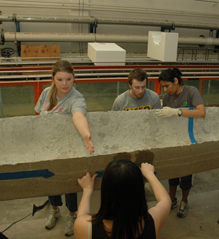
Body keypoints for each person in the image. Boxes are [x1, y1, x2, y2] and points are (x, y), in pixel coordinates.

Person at [35, 60, 94, 237]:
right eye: (60, 79)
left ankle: (72, 214)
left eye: (68, 79)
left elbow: (78, 116)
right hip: (49, 147)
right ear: (53, 78)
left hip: (68, 149)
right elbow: (38, 115)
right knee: (51, 181)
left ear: (74, 77)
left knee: (69, 183)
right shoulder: (47, 93)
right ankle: (54, 209)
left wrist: (85, 134)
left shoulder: (76, 98)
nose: (64, 84)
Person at [74, 159, 171, 239]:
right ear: (139, 191)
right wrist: (150, 175)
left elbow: (81, 217)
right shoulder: (153, 220)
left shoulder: (84, 227)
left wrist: (87, 190)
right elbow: (165, 200)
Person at [156, 68, 206, 218]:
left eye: (166, 85)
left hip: (188, 140)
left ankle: (184, 200)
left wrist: (176, 111)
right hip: (173, 140)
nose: (165, 89)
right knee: (173, 173)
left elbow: (201, 112)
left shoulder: (191, 92)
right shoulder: (166, 97)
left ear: (176, 81)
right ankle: (172, 199)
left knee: (186, 174)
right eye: (163, 87)